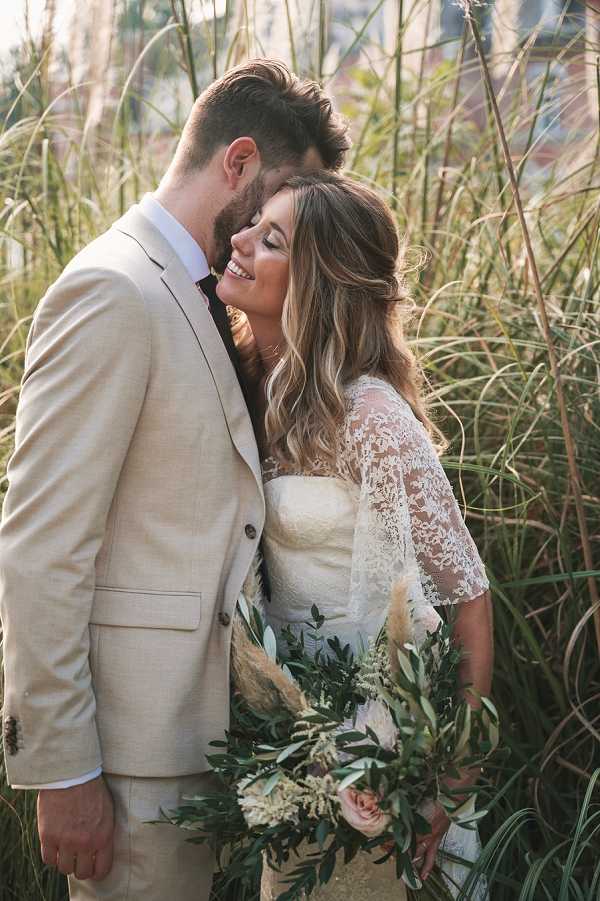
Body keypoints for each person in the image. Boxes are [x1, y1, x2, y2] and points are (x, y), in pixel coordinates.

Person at [0, 61, 350, 901]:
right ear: (236, 163)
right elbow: (40, 544)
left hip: (209, 745)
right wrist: (62, 768)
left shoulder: (200, 292)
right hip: (126, 763)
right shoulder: (111, 289)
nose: (283, 222)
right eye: (282, 192)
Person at [216, 172, 494, 900]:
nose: (239, 240)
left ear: (318, 281)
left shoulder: (369, 415)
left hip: (382, 751)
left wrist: (450, 786)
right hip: (293, 744)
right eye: (251, 226)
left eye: (270, 238)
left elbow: (468, 598)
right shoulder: (253, 390)